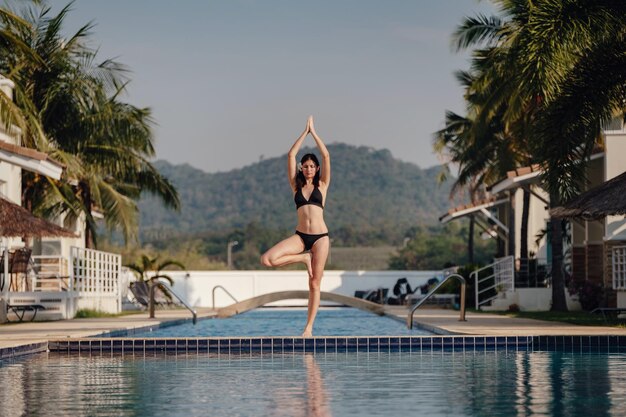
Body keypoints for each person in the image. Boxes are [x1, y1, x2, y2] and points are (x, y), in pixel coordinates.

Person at [260, 115, 330, 337]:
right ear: (301, 168)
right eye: (305, 166)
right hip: (301, 236)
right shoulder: (295, 186)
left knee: (314, 283)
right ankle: (303, 258)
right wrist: (304, 132)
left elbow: (326, 155)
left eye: (312, 166)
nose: (308, 169)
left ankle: (308, 328)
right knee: (267, 259)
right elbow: (291, 155)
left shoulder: (323, 184)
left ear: (317, 168)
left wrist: (315, 133)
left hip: (320, 238)